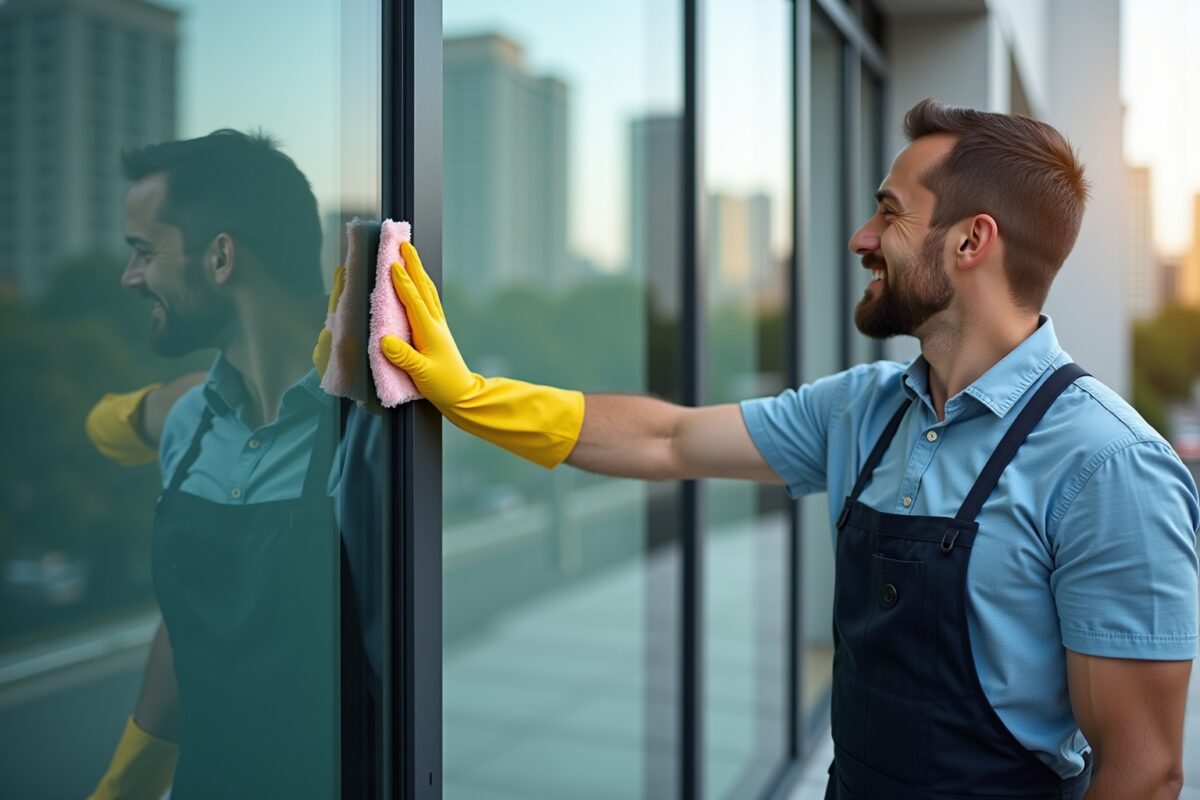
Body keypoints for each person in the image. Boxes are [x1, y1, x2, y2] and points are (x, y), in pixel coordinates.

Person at [376, 99, 1199, 798]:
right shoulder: (863, 409)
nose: (860, 237)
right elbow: (667, 438)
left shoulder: (1108, 466)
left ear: (970, 242)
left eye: (889, 211)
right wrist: (470, 395)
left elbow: (1143, 771)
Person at [87, 129, 382, 799]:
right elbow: (191, 622)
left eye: (142, 252)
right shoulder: (190, 422)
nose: (130, 278)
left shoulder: (369, 437)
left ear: (221, 257)